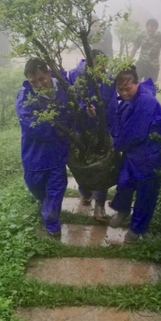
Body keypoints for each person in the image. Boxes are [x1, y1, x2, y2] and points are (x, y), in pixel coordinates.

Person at [109, 67, 161, 243]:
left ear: (137, 83)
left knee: (145, 194)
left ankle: (136, 230)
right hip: (134, 151)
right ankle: (123, 209)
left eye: (127, 88)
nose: (123, 92)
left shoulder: (145, 101)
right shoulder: (130, 99)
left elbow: (136, 131)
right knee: (124, 182)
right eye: (120, 89)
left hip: (152, 154)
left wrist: (117, 145)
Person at [16, 58, 70, 238]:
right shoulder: (25, 95)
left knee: (56, 187)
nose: (39, 85)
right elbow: (29, 123)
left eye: (42, 79)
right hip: (34, 152)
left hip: (57, 152)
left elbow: (73, 110)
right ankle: (42, 200)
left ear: (49, 73)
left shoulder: (63, 87)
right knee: (34, 183)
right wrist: (56, 131)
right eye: (34, 82)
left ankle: (52, 224)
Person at [68, 50, 117, 222]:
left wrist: (110, 132)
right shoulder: (75, 75)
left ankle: (100, 204)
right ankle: (85, 192)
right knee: (82, 161)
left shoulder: (109, 81)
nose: (101, 70)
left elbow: (112, 108)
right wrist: (83, 108)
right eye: (97, 66)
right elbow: (70, 98)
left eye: (103, 66)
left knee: (102, 166)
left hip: (101, 129)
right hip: (81, 128)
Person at [131, 19, 161, 83]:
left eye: (152, 31)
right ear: (146, 27)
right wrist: (129, 60)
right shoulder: (141, 35)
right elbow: (134, 49)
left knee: (148, 87)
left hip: (153, 66)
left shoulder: (160, 37)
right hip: (141, 64)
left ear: (156, 28)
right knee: (136, 84)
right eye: (149, 31)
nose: (150, 33)